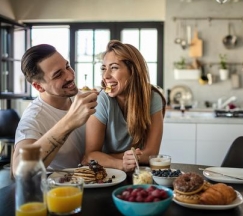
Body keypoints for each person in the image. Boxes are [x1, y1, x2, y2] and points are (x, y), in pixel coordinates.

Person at [12, 44, 99, 174]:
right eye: (58, 75)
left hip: (104, 182)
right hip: (63, 190)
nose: (70, 76)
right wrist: (69, 122)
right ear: (38, 86)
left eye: (67, 66)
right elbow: (18, 170)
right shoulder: (34, 118)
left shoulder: (84, 98)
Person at [82, 40, 166, 172]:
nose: (105, 76)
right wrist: (122, 162)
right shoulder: (103, 100)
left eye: (114, 67)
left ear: (133, 71)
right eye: (104, 68)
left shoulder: (152, 98)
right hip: (107, 173)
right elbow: (89, 156)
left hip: (139, 172)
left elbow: (151, 153)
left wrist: (107, 158)